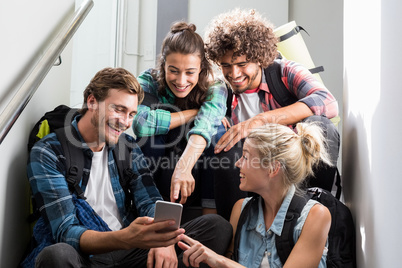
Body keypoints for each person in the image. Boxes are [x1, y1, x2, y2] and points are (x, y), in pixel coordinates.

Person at [22, 67, 232, 267]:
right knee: (56, 255)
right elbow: (65, 231)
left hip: (130, 252)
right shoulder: (49, 152)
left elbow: (150, 201)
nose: (125, 122)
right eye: (119, 109)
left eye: (131, 114)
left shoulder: (127, 147)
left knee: (216, 227)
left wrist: (163, 239)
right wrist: (126, 238)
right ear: (92, 101)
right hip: (87, 256)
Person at [204, 9, 340, 197]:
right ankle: (236, 221)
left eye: (242, 64)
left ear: (259, 58)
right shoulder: (221, 90)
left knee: (322, 126)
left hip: (293, 171)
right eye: (226, 65)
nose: (234, 74)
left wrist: (260, 121)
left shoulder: (284, 72)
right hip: (250, 178)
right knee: (223, 143)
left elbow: (328, 101)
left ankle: (318, 208)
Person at [178, 122, 332, 268]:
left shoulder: (316, 216)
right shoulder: (240, 210)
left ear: (272, 169)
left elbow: (224, 263)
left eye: (245, 157)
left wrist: (219, 261)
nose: (237, 163)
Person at [132, 21, 246, 217]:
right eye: (173, 70)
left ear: (201, 69)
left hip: (198, 158)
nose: (181, 81)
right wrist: (195, 112)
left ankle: (210, 216)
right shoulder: (149, 80)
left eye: (190, 72)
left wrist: (183, 168)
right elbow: (141, 124)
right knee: (150, 136)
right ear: (163, 65)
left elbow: (205, 126)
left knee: (218, 131)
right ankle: (149, 210)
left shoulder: (215, 85)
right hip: (160, 157)